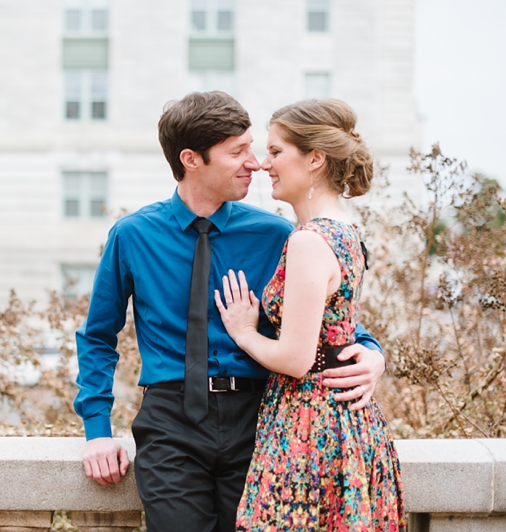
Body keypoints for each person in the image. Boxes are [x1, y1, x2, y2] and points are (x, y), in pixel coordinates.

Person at [74, 91, 387, 532]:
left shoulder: (277, 234)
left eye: (256, 149)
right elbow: (98, 336)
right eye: (238, 151)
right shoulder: (132, 235)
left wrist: (372, 353)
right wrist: (97, 431)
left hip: (258, 420)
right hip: (171, 421)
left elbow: (328, 313)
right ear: (191, 159)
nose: (256, 163)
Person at [214, 99, 405, 530]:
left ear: (315, 159)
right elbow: (337, 331)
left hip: (309, 423)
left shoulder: (308, 240)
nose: (265, 165)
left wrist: (244, 332)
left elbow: (297, 358)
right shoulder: (346, 232)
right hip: (346, 422)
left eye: (277, 152)